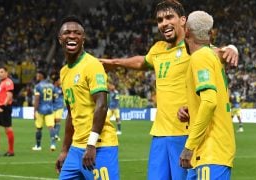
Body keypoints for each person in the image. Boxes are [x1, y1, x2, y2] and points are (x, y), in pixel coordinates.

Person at [100, 0, 238, 179]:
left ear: (183, 21)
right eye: (159, 20)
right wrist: (113, 63)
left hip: (185, 133)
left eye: (168, 17)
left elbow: (220, 53)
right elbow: (142, 62)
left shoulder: (194, 49)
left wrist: (232, 48)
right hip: (159, 134)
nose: (163, 23)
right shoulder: (158, 49)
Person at [55, 16, 119, 179]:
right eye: (67, 32)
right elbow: (71, 113)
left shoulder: (92, 65)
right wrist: (64, 150)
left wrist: (91, 144)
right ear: (60, 38)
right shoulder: (64, 72)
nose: (72, 36)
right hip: (76, 148)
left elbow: (102, 105)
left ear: (83, 39)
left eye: (77, 33)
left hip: (100, 146)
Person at [178, 11, 235, 179]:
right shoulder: (213, 57)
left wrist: (188, 147)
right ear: (211, 33)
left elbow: (209, 102)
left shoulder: (200, 57)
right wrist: (192, 108)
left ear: (187, 32)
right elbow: (211, 97)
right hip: (207, 153)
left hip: (211, 151)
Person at [32, 70, 56, 151]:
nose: (37, 76)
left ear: (42, 76)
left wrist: (34, 111)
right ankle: (53, 144)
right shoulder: (51, 86)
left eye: (38, 75)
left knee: (38, 128)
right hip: (50, 108)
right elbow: (54, 97)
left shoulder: (38, 86)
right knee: (51, 127)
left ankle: (38, 146)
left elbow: (37, 99)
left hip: (40, 109)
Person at [52, 74, 64, 141]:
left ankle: (56, 135)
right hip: (53, 107)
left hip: (60, 106)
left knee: (58, 120)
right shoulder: (52, 88)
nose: (60, 81)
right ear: (56, 81)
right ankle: (53, 135)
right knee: (53, 122)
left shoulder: (61, 88)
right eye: (59, 80)